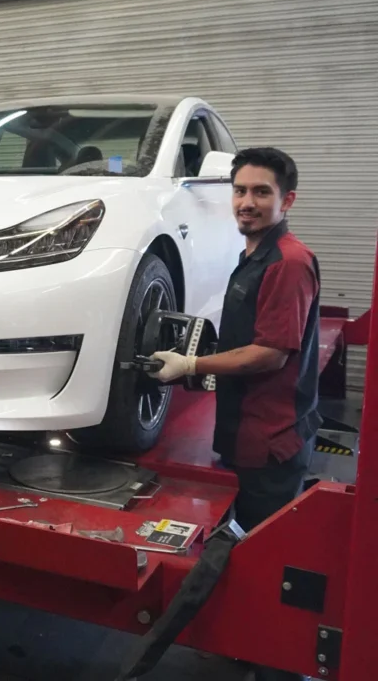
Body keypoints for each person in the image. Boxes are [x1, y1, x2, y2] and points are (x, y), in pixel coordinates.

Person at [149, 147, 321, 681]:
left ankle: (274, 664)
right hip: (249, 429)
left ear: (287, 199)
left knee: (267, 559)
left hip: (271, 439)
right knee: (245, 547)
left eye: (261, 192)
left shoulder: (288, 262)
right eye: (241, 191)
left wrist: (192, 363)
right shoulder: (254, 255)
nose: (247, 202)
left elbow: (270, 352)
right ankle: (246, 647)